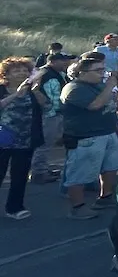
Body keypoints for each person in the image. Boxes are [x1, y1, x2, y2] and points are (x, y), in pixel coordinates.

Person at [60, 52, 118, 220]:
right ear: (82, 73)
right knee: (80, 173)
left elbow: (110, 105)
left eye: (103, 69)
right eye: (98, 70)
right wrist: (110, 86)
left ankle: (105, 196)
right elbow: (94, 105)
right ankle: (77, 207)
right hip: (87, 138)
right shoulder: (74, 88)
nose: (103, 73)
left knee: (111, 166)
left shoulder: (99, 85)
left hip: (108, 133)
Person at [0, 57, 44, 219]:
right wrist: (16, 95)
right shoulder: (2, 89)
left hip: (25, 139)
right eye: (16, 70)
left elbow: (45, 105)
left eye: (25, 70)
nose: (21, 73)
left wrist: (36, 90)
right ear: (6, 74)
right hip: (2, 139)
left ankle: (14, 208)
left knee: (20, 175)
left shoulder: (30, 90)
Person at [29, 51, 75, 185]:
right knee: (44, 144)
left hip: (52, 114)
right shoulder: (48, 75)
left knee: (46, 143)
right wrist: (54, 111)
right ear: (53, 61)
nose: (67, 63)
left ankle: (42, 169)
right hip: (49, 115)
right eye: (63, 61)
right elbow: (51, 97)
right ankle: (38, 173)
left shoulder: (53, 73)